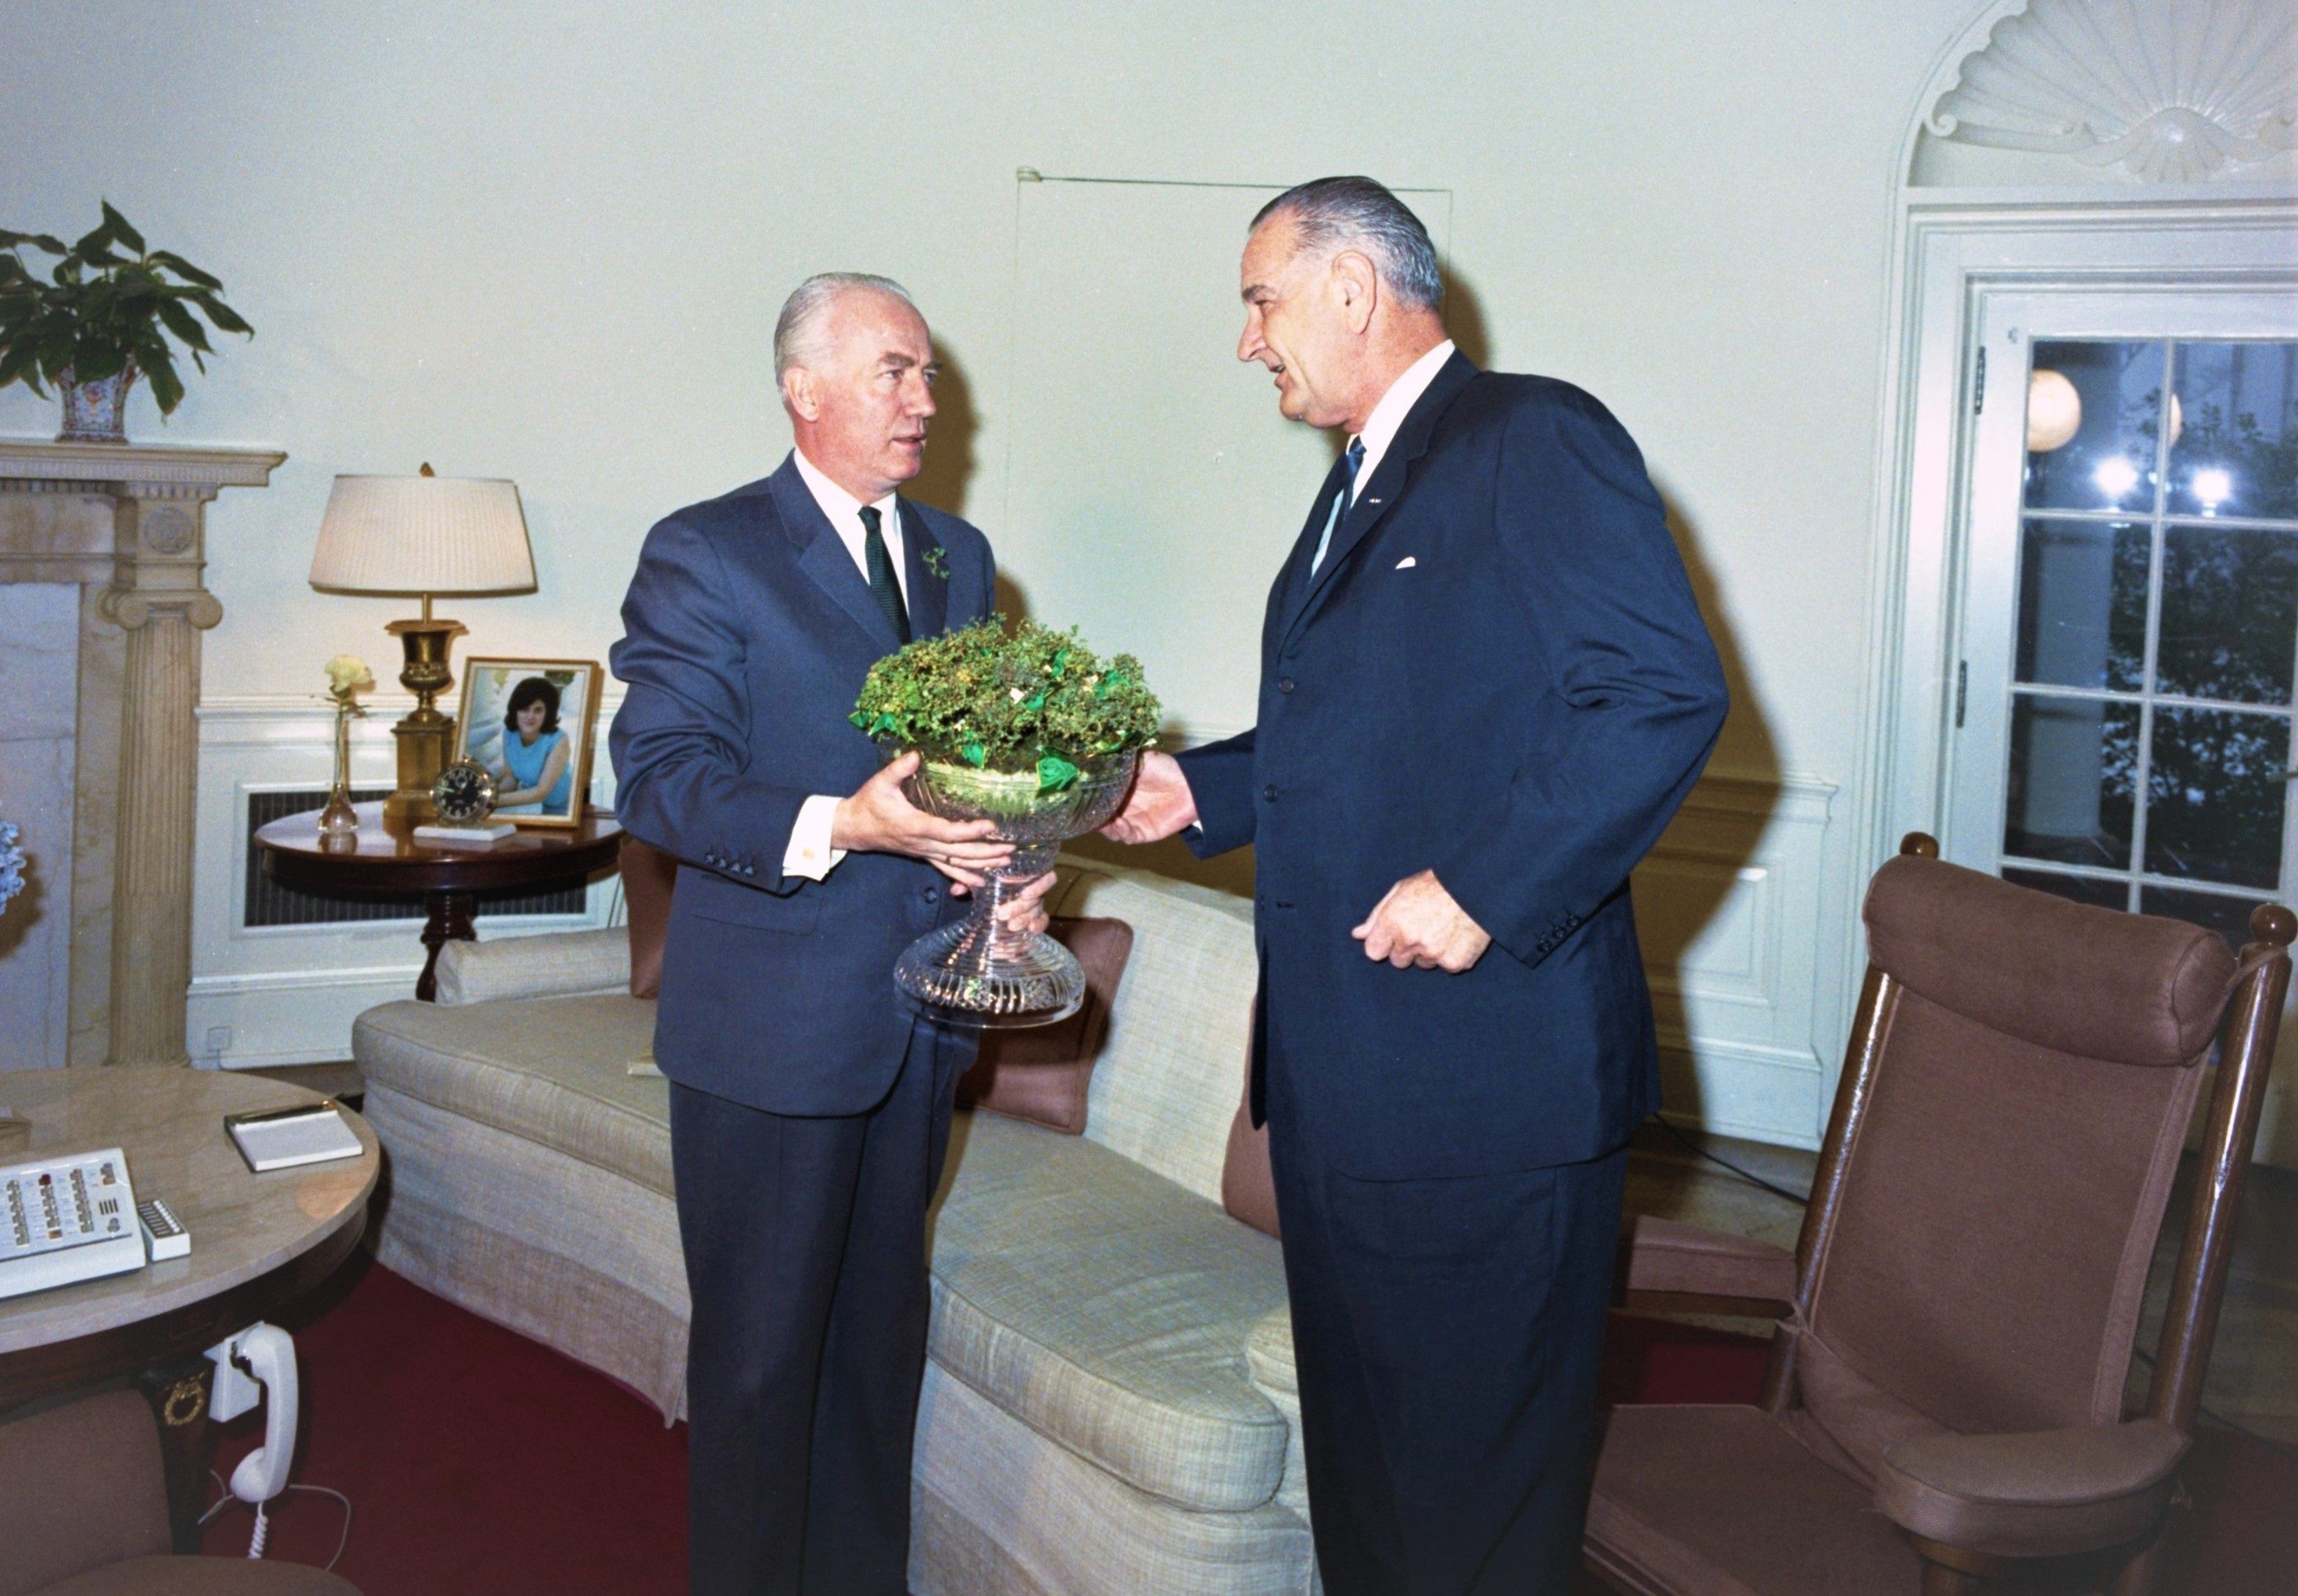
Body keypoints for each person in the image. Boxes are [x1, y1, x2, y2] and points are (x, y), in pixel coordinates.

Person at [1103, 177, 1728, 1593]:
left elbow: (1659, 696)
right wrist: (1201, 788)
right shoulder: (1362, 480)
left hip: (1480, 1093)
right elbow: (1369, 724)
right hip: (1347, 1086)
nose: (1248, 340)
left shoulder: (1532, 438)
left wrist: (1485, 888)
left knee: (1471, 1511)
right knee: (1374, 1494)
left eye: (1259, 300)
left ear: (1349, 288)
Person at [609, 272, 1053, 1596]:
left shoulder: (956, 560)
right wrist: (844, 824)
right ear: (803, 391)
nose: (925, 400)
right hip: (769, 1040)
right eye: (895, 372)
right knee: (757, 1372)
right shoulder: (706, 550)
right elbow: (659, 780)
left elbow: (976, 775)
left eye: (926, 376)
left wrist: (1007, 881)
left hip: (916, 1033)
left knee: (874, 1355)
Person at [488, 674, 573, 814]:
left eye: (538, 710)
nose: (530, 716)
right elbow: (511, 779)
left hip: (561, 812)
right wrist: (487, 792)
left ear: (548, 713)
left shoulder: (560, 740)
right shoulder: (509, 734)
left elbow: (541, 792)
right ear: (515, 710)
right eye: (524, 709)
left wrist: (491, 800)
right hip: (529, 807)